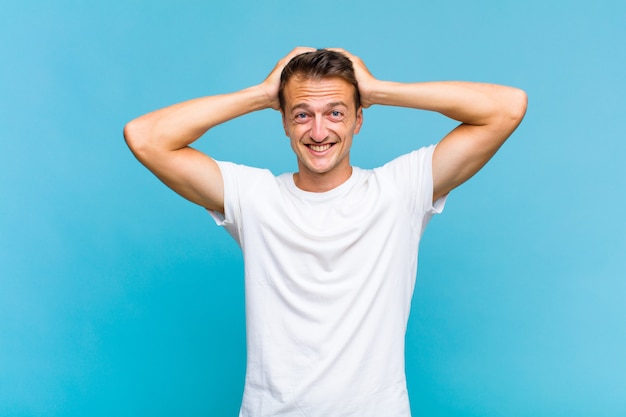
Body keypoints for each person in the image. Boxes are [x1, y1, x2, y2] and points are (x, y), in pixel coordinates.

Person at [124, 47, 527, 417]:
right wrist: (264, 93)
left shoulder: (399, 191)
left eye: (335, 112)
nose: (319, 132)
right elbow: (145, 137)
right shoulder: (255, 198)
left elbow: (506, 108)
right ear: (283, 121)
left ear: (358, 119)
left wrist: (378, 89)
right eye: (302, 114)